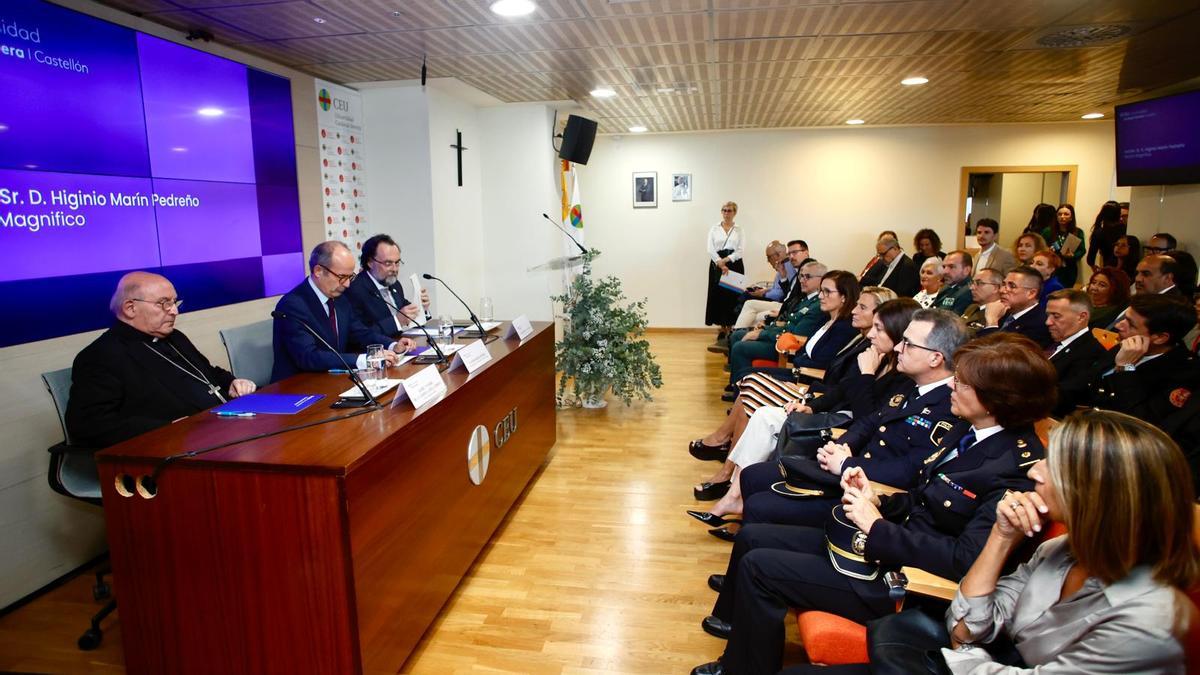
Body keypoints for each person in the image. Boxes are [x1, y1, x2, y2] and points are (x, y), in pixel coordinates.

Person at [691, 333, 1057, 675]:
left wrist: (877, 526)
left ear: (994, 400)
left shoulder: (1015, 470)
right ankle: (737, 641)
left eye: (963, 382)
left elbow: (965, 560)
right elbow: (922, 496)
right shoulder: (972, 432)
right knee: (754, 536)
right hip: (886, 545)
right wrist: (876, 498)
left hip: (906, 584)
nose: (953, 386)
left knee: (760, 567)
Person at [788, 411, 1200, 675]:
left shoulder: (1146, 622)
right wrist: (1001, 538)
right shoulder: (1059, 550)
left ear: (1096, 493)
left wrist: (968, 653)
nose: (1035, 471)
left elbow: (968, 640)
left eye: (1051, 465)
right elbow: (966, 628)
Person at [732, 307, 964, 529]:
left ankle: (755, 549)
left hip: (872, 491)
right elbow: (870, 422)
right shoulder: (912, 386)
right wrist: (841, 446)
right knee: (753, 475)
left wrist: (846, 464)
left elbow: (910, 470)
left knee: (760, 505)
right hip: (851, 470)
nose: (898, 348)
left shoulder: (949, 406)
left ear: (935, 358)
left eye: (908, 344)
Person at [687, 291, 901, 498]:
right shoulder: (862, 342)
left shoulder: (870, 350)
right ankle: (727, 458)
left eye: (862, 307)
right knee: (749, 384)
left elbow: (856, 403)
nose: (854, 310)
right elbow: (838, 381)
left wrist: (815, 398)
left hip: (822, 399)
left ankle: (728, 465)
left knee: (752, 391)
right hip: (818, 394)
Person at [66, 272, 257, 448]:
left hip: (220, 427)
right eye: (164, 303)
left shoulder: (175, 338)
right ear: (130, 308)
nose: (174, 311)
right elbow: (88, 425)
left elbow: (207, 372)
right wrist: (166, 428)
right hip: (170, 446)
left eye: (175, 302)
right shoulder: (102, 355)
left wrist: (232, 382)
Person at [271, 241, 414, 382]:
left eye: (350, 276)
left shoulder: (339, 298)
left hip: (331, 378)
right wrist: (363, 360)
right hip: (296, 386)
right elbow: (309, 356)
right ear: (318, 271)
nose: (347, 284)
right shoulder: (293, 305)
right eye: (342, 277)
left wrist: (393, 345)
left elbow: (360, 333)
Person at [1092, 294, 1198, 427]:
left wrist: (1126, 368)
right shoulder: (1125, 341)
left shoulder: (1184, 373)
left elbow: (1139, 421)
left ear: (1159, 338)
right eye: (1124, 318)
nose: (1119, 325)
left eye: (1130, 324)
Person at [724, 260, 827, 394]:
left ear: (821, 279)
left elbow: (794, 334)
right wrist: (765, 329)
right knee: (737, 335)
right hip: (782, 339)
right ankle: (735, 385)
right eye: (801, 276)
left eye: (807, 277)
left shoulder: (817, 305)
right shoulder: (806, 299)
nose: (802, 280)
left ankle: (741, 395)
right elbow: (787, 324)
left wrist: (762, 334)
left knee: (741, 347)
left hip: (786, 349)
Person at [344, 234, 430, 338]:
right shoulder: (355, 290)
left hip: (400, 346)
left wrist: (422, 308)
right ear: (370, 262)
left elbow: (407, 314)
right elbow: (359, 336)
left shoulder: (394, 284)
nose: (394, 269)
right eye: (388, 263)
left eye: (397, 263)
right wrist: (397, 321)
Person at [1044, 289, 1109, 417]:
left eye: (1056, 316)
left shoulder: (1090, 352)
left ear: (1081, 317)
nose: (1048, 322)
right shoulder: (1049, 339)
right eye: (1048, 315)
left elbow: (1064, 397)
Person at [979, 266, 1052, 348]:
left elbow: (1000, 355)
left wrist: (992, 323)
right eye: (1003, 284)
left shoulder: (1040, 324)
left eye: (1012, 286)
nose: (1002, 290)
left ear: (1031, 293)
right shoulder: (1003, 311)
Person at [705, 201, 746, 341]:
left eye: (729, 210)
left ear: (735, 212)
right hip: (717, 265)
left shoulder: (739, 229)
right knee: (719, 297)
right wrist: (720, 263)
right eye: (724, 210)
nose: (727, 213)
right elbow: (710, 249)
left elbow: (740, 250)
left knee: (733, 296)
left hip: (734, 264)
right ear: (721, 212)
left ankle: (732, 328)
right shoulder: (714, 228)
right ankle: (722, 328)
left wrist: (727, 260)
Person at [731, 241, 791, 330]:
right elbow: (779, 287)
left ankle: (736, 331)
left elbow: (780, 294)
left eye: (769, 257)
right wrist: (766, 290)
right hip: (775, 298)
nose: (768, 261)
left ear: (777, 255)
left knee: (745, 299)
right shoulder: (781, 267)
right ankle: (737, 331)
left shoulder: (787, 267)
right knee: (745, 296)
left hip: (780, 301)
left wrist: (763, 294)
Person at [1040, 203, 1085, 288]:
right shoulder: (1048, 231)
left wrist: (1073, 255)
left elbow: (1082, 250)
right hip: (1052, 267)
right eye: (1059, 214)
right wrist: (1047, 251)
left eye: (1066, 214)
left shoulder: (1077, 232)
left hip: (1069, 269)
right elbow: (1041, 247)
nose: (1062, 216)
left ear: (1071, 217)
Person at [931, 250, 974, 314]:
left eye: (951, 267)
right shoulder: (947, 287)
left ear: (966, 270)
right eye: (944, 267)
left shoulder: (969, 291)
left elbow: (954, 321)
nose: (945, 271)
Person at [1086, 200, 1125, 270]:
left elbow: (1090, 258)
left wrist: (1094, 268)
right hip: (1126, 268)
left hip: (1107, 267)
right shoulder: (1125, 229)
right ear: (1119, 215)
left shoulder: (1099, 232)